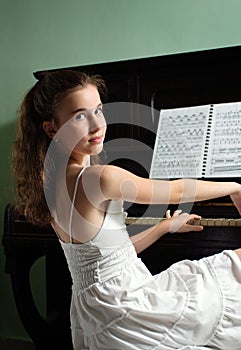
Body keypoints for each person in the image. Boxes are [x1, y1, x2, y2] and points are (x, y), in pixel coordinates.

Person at [12, 70, 241, 350]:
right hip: (128, 310)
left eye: (98, 110)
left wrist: (163, 227)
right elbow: (178, 192)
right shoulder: (99, 177)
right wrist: (233, 187)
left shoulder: (48, 181)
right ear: (51, 127)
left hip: (97, 315)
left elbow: (107, 258)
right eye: (80, 116)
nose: (97, 125)